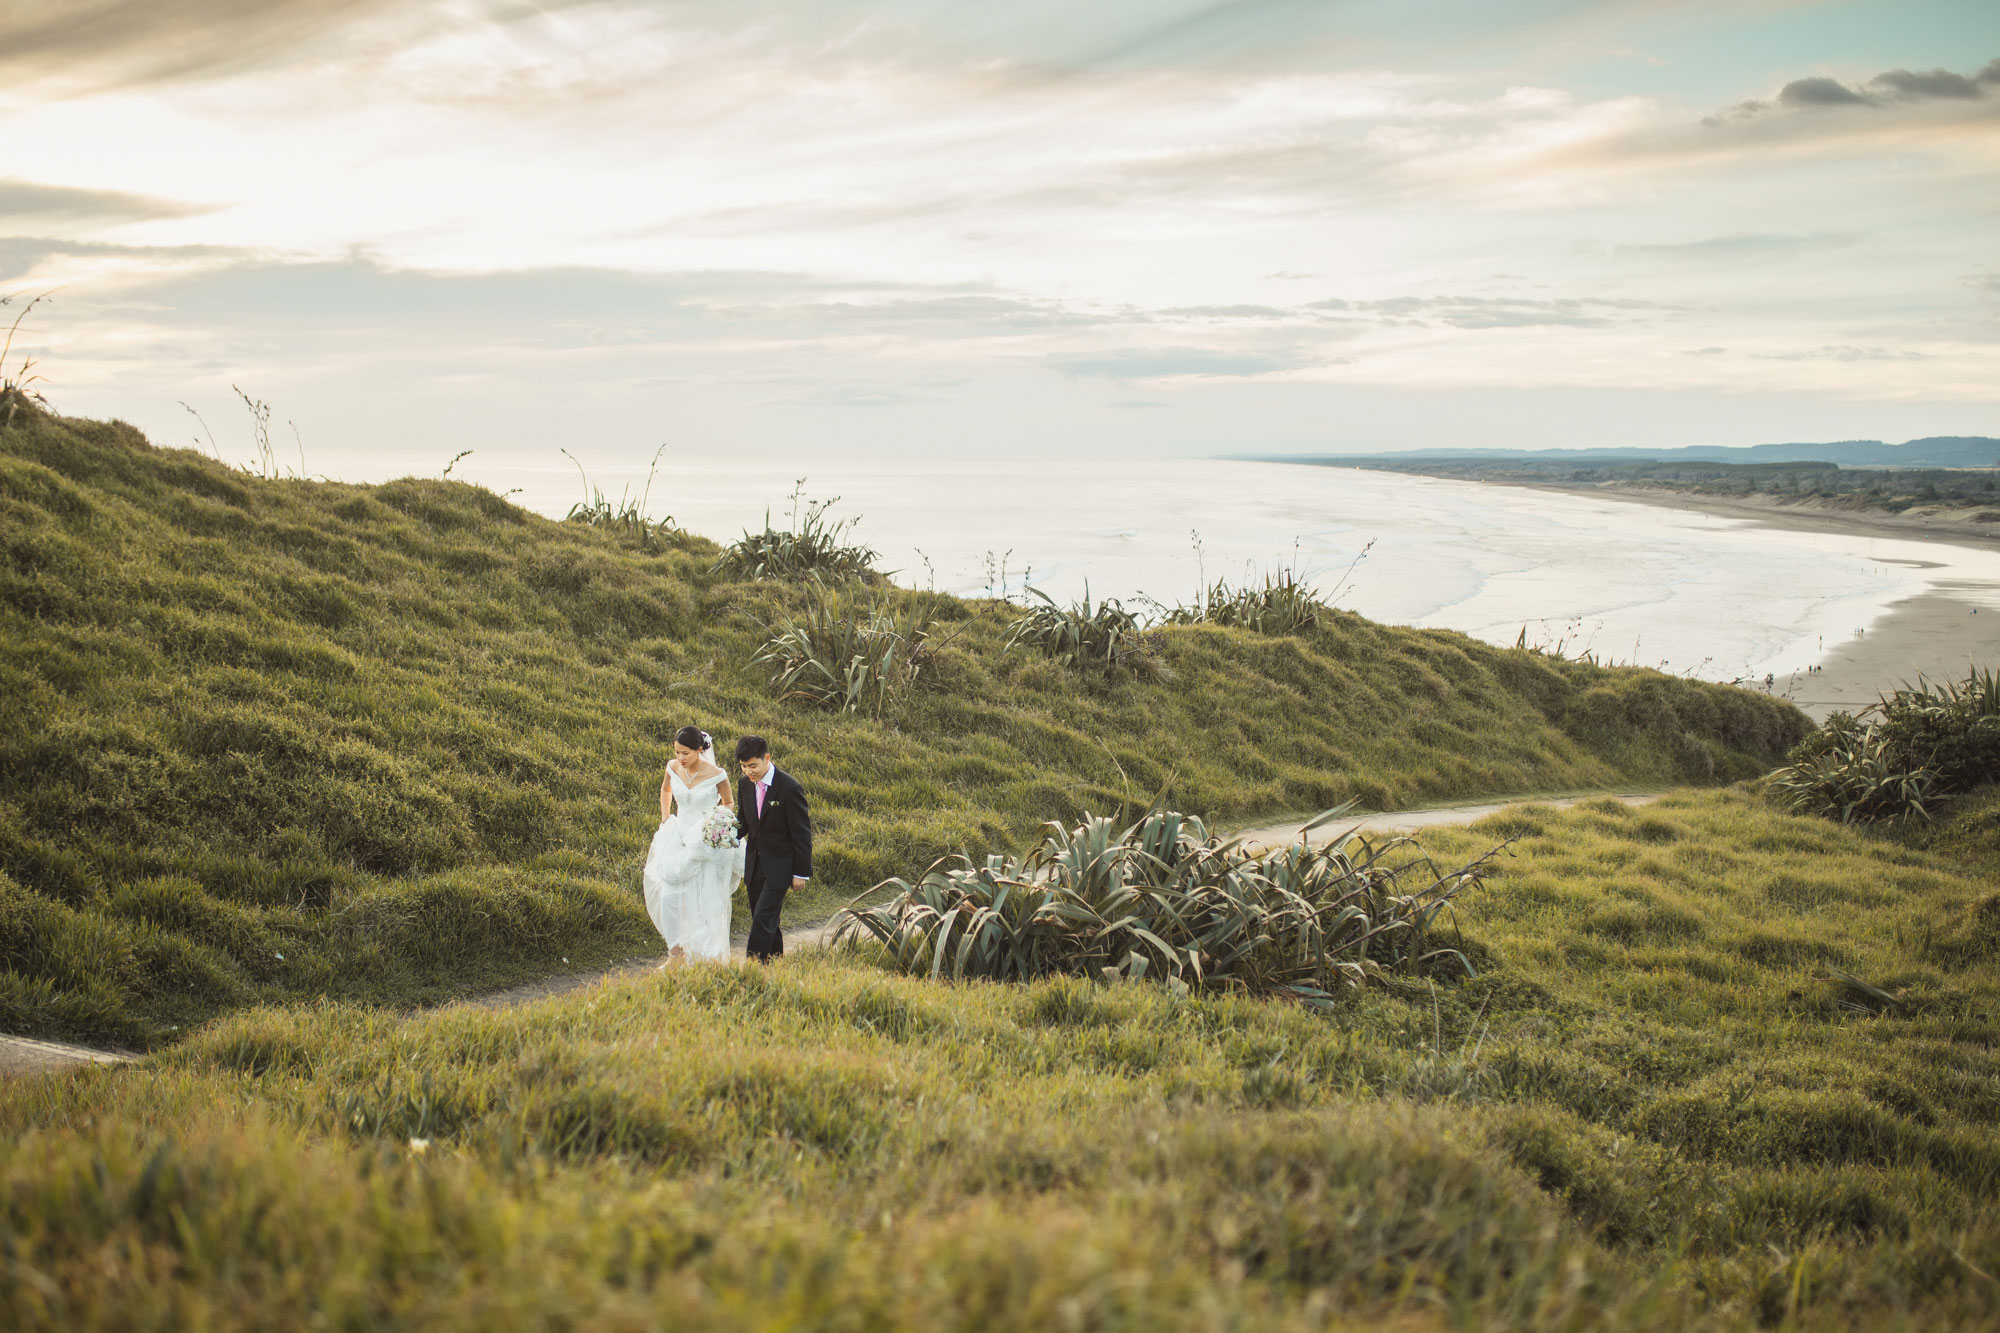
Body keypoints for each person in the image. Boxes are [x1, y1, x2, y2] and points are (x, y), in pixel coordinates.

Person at [641, 725, 740, 965]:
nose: (680, 758)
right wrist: (665, 817)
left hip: (704, 839)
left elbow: (728, 803)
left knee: (702, 897)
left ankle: (704, 954)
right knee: (668, 896)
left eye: (685, 753)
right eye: (677, 752)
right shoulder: (672, 767)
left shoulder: (717, 774)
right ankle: (675, 951)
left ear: (699, 750)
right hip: (678, 835)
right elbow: (665, 789)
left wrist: (714, 823)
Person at [734, 734, 812, 962]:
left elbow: (802, 834)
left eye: (752, 766)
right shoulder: (743, 784)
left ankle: (752, 967)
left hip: (780, 867)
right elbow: (744, 822)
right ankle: (775, 963)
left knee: (762, 918)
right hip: (754, 864)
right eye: (743, 766)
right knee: (767, 920)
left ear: (767, 758)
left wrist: (801, 873)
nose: (749, 771)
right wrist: (722, 833)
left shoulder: (789, 788)